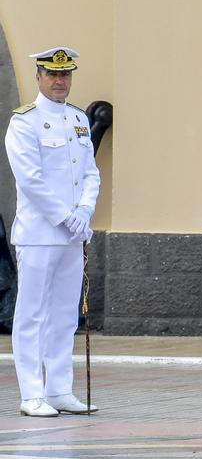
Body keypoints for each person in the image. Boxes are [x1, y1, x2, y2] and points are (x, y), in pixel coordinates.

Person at [4, 47, 100, 416]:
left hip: (73, 233)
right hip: (40, 232)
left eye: (66, 75)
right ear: (39, 77)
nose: (61, 81)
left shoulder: (77, 118)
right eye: (53, 75)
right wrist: (65, 215)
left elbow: (90, 172)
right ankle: (31, 394)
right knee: (32, 315)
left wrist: (86, 210)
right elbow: (30, 179)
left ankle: (59, 389)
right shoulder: (24, 122)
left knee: (64, 314)